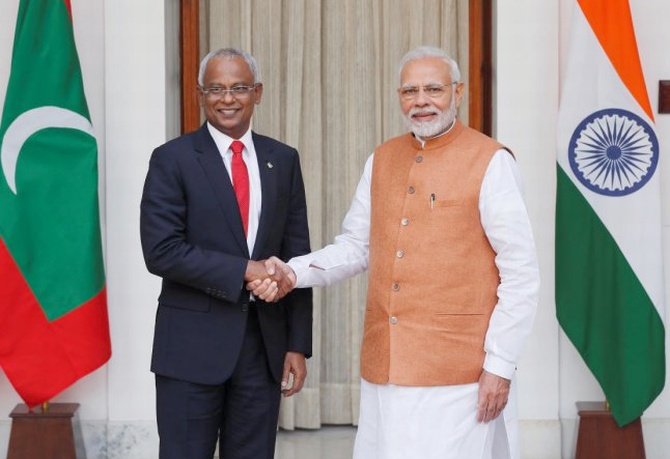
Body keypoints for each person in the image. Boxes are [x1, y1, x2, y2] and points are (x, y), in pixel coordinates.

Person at [249, 46, 540, 459]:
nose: (421, 101)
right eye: (410, 91)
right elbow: (355, 245)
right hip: (385, 367)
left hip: (459, 373)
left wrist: (500, 365)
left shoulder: (491, 162)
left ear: (458, 92)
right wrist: (292, 273)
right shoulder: (382, 158)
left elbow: (521, 274)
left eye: (433, 89)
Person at [140, 47, 313, 459]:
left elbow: (297, 258)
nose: (227, 98)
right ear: (201, 94)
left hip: (263, 349)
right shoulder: (172, 159)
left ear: (258, 93)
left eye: (238, 87)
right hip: (189, 352)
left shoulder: (283, 160)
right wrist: (245, 270)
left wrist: (297, 344)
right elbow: (161, 251)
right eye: (215, 88)